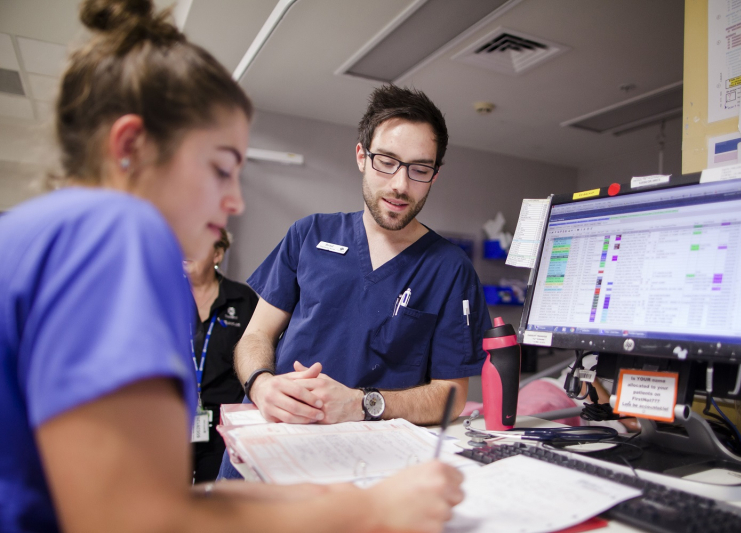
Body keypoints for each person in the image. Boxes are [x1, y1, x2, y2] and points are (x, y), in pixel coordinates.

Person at [0, 1, 463, 532]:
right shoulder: (112, 245)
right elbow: (139, 519)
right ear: (130, 147)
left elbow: (147, 495)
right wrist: (370, 511)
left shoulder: (38, 235)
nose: (236, 201)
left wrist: (318, 499)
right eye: (221, 169)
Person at [234, 85, 492, 430]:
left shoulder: (450, 269)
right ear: (361, 156)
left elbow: (451, 395)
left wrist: (362, 403)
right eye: (386, 162)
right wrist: (261, 385)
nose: (400, 184)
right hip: (274, 434)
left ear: (435, 175)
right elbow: (256, 336)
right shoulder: (309, 234)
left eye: (419, 169)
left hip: (364, 460)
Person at [185, 229, 258, 482]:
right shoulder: (164, 296)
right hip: (170, 418)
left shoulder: (242, 299)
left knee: (212, 498)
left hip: (222, 423)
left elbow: (256, 353)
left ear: (217, 253)